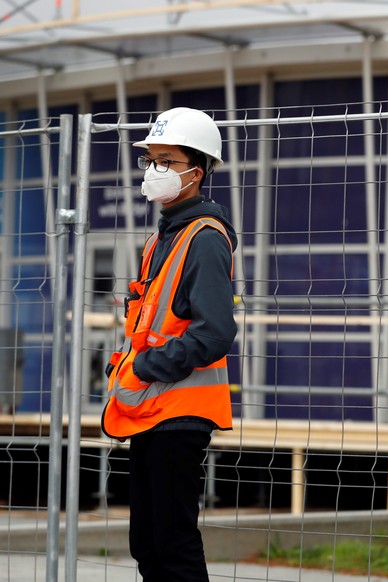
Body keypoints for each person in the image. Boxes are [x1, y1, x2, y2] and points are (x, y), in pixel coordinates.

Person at [101, 107, 237, 582]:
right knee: (150, 545)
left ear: (194, 173)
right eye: (150, 160)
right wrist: (129, 367)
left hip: (178, 413)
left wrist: (146, 367)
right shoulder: (163, 238)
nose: (154, 170)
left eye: (166, 160)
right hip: (152, 409)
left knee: (172, 546)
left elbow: (216, 332)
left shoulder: (203, 238)